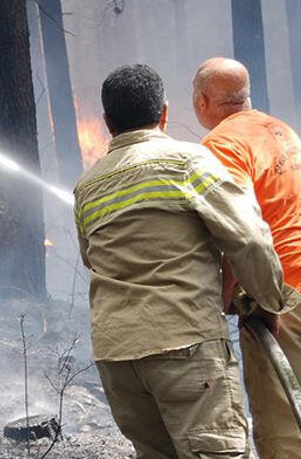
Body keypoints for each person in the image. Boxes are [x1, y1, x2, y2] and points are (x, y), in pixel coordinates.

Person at [74, 64, 299, 458]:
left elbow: (90, 259)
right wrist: (267, 300)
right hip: (185, 345)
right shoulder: (191, 161)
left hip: (117, 359)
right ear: (164, 112)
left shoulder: (86, 187)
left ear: (107, 122)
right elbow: (246, 236)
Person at [194, 57, 301, 457]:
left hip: (282, 293)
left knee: (281, 426)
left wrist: (223, 297)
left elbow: (240, 229)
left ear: (202, 101)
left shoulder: (222, 144)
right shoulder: (281, 130)